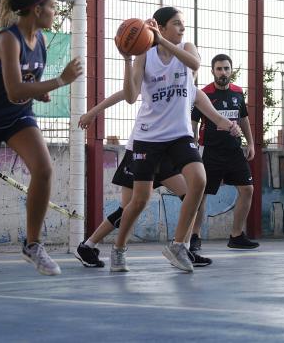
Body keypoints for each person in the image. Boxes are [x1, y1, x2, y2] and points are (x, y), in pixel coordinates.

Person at [0, 0, 82, 286]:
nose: (56, 10)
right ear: (36, 9)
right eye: (52, 5)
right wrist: (59, 81)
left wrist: (38, 92)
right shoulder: (8, 40)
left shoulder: (39, 39)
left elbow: (23, 87)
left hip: (17, 116)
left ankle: (32, 244)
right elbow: (13, 89)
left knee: (43, 170)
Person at [110, 7, 239, 273]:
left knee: (199, 181)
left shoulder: (187, 48)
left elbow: (195, 65)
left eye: (183, 24)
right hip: (148, 136)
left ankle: (179, 244)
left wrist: (162, 39)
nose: (182, 28)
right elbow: (132, 96)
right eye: (177, 24)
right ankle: (118, 248)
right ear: (160, 25)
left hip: (179, 134)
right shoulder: (145, 55)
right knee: (139, 200)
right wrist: (126, 60)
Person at [74, 90, 212, 268]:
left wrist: (229, 125)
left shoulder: (190, 89)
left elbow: (211, 112)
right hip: (142, 149)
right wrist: (92, 112)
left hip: (168, 154)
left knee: (191, 197)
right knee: (127, 210)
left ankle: (183, 249)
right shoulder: (156, 77)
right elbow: (125, 93)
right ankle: (88, 246)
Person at [190, 53, 258, 251]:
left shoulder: (238, 93)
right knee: (201, 195)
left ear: (231, 70)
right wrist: (192, 143)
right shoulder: (203, 94)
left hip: (234, 151)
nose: (223, 72)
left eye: (226, 68)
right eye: (219, 69)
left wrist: (251, 143)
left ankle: (236, 236)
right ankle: (195, 236)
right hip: (210, 152)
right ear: (212, 71)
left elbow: (243, 119)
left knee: (247, 190)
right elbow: (193, 122)